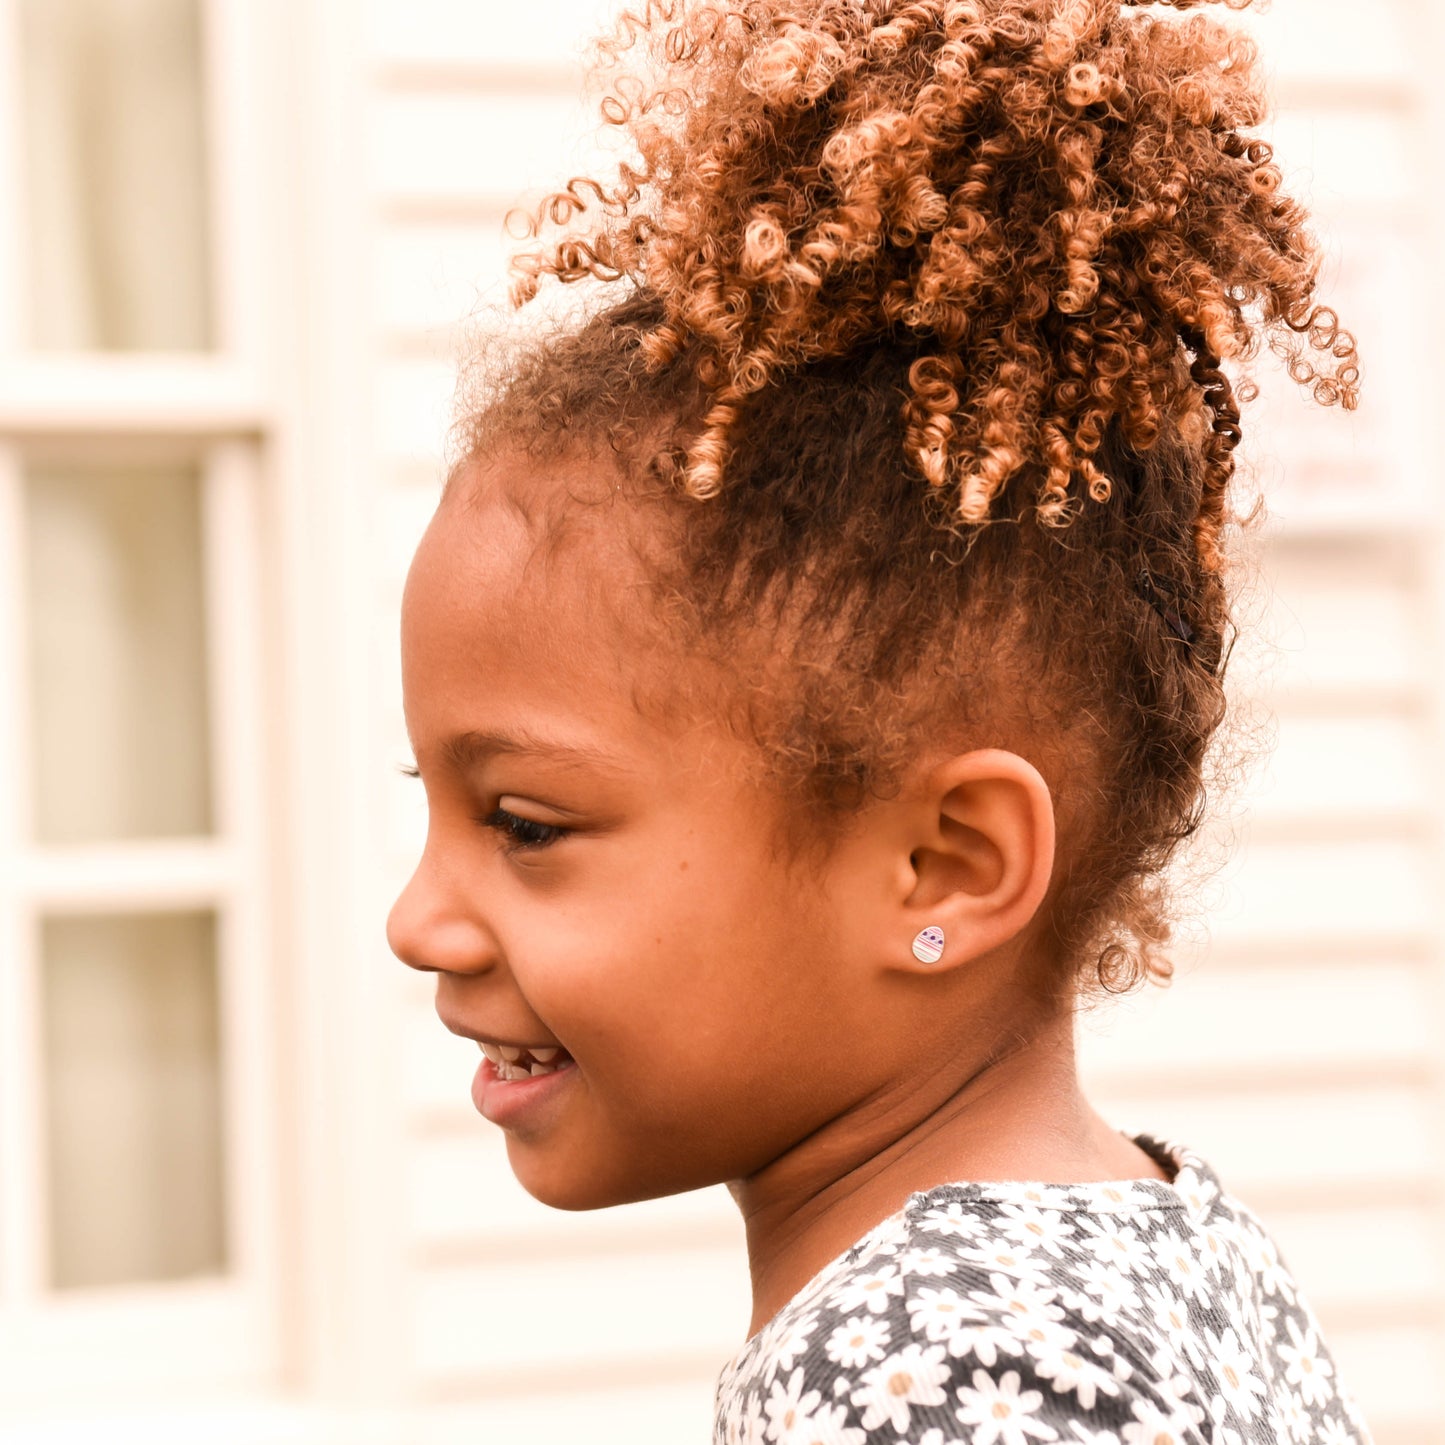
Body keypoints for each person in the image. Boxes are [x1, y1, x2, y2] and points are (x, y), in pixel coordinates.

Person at [385, 0, 1369, 1440]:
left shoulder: (943, 1376)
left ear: (944, 865)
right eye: (438, 803)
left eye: (524, 824)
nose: (421, 918)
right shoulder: (1154, 1239)